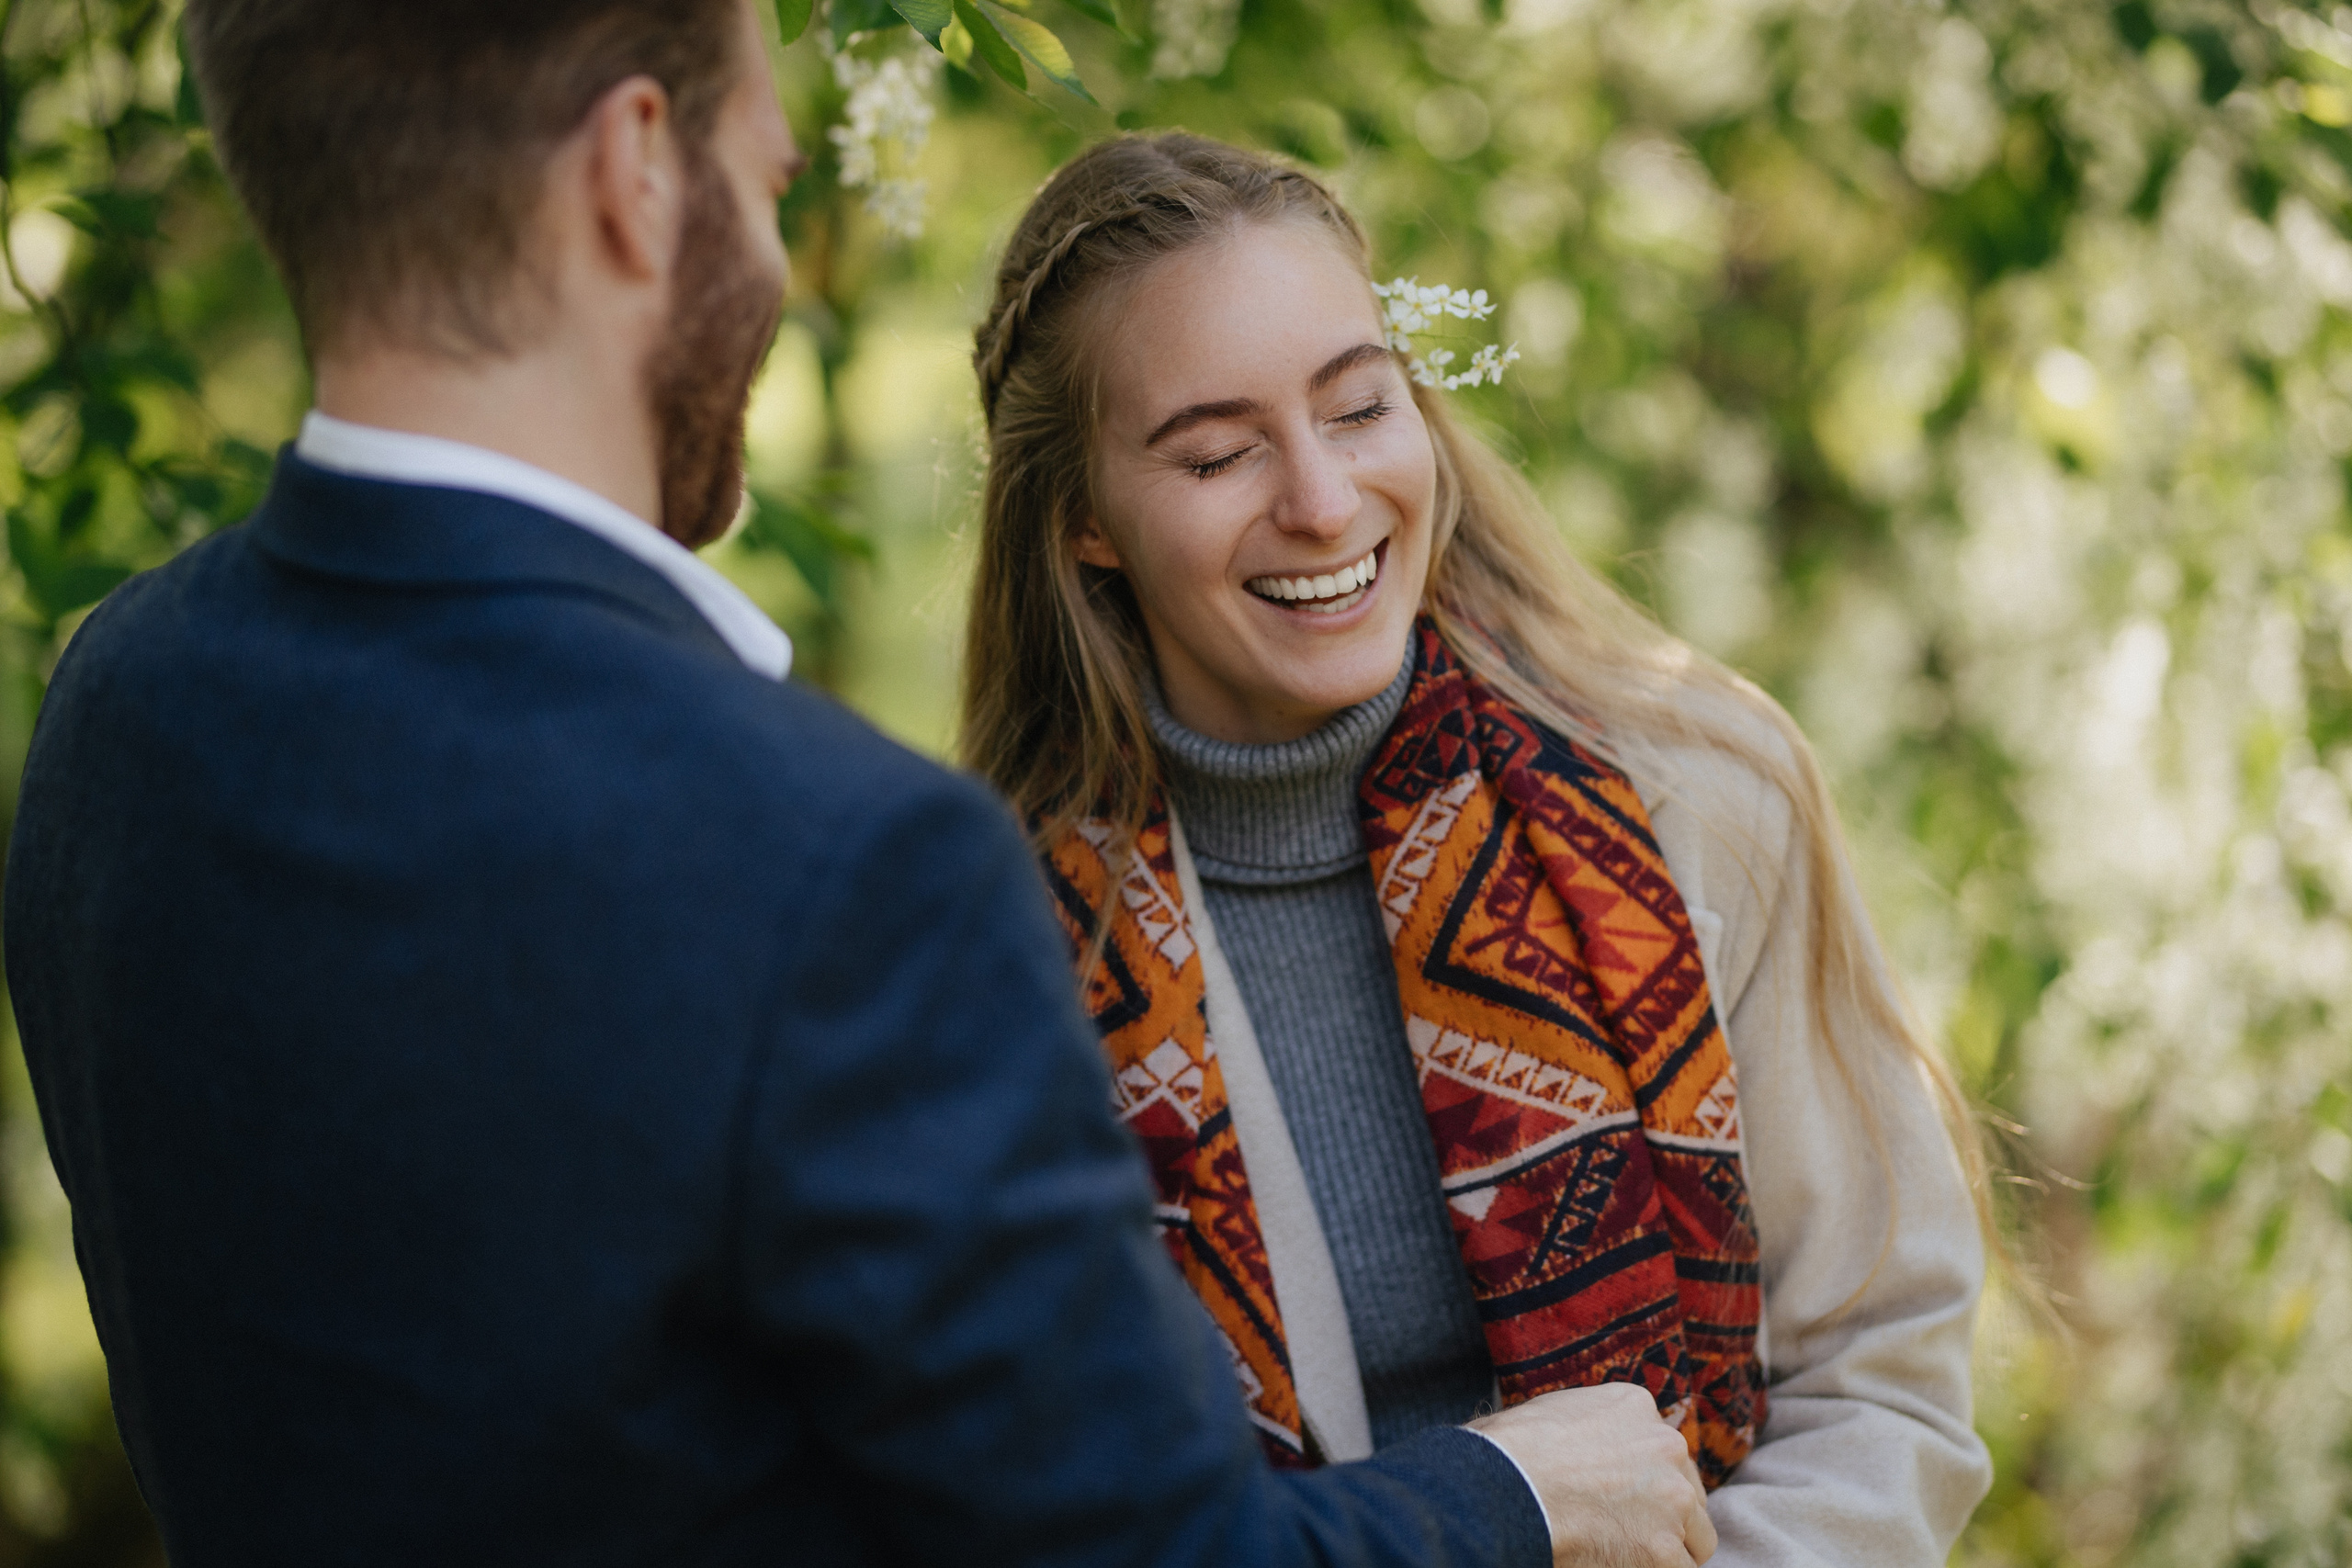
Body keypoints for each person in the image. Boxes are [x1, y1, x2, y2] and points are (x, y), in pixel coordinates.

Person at [1, 4, 1724, 1564]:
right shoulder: (843, 862)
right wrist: (1510, 1495)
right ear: (636, 173)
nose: (772, 256)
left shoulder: (122, 718)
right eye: (767, 183)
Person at [959, 132, 1996, 1566]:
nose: (1323, 501)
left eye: (1358, 407)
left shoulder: (1704, 801)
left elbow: (1880, 1379)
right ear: (1084, 520)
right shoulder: (983, 960)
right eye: (1217, 453)